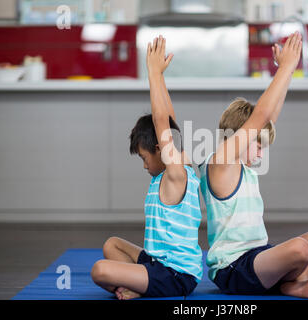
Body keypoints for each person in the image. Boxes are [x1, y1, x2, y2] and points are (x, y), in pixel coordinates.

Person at [198, 32, 308, 298]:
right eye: (257, 144)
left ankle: (291, 284)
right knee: (301, 249)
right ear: (238, 136)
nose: (260, 151)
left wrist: (285, 71)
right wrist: (287, 67)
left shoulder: (243, 165)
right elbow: (260, 117)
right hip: (232, 268)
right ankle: (288, 285)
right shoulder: (220, 162)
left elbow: (268, 118)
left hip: (258, 255)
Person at [91, 35, 203, 300]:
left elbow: (162, 122)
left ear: (160, 150)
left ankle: (139, 287)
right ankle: (138, 285)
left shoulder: (175, 174)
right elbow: (170, 120)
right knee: (112, 245)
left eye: (144, 158)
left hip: (176, 276)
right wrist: (161, 78)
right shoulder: (167, 169)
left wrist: (152, 73)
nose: (143, 166)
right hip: (156, 264)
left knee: (100, 270)